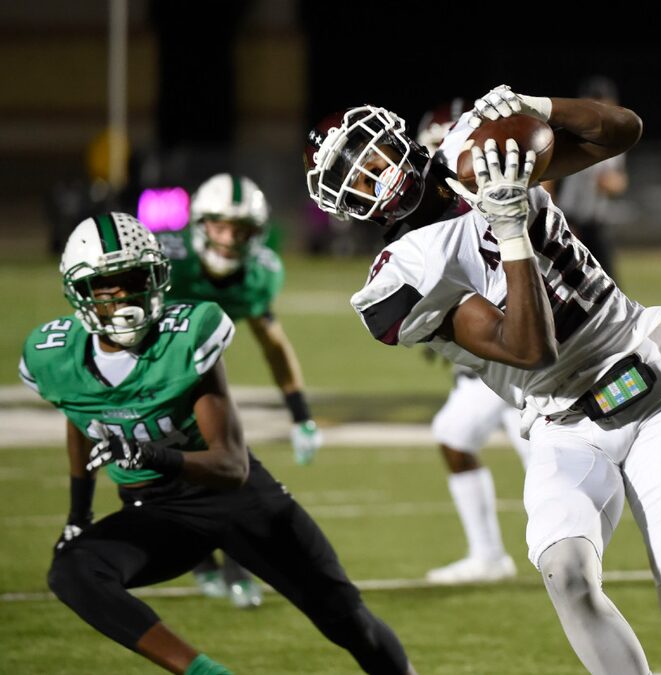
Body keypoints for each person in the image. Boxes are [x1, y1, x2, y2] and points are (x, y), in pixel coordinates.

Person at [304, 85, 661, 674]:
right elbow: (528, 349)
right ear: (346, 204)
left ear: (392, 135)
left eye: (369, 156)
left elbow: (623, 130)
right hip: (561, 421)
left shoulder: (472, 151)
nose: (372, 175)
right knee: (566, 574)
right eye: (353, 178)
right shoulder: (401, 275)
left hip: (641, 383)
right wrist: (511, 231)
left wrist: (540, 107)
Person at [18, 213, 417, 675]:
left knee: (349, 622)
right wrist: (77, 515)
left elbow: (231, 466)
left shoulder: (187, 334)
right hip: (157, 512)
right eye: (106, 285)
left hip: (239, 501)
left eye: (132, 279)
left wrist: (151, 455)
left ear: (155, 277)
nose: (123, 296)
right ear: (80, 292)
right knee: (72, 570)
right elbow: (78, 415)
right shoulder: (53, 358)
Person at [158, 173, 324, 607]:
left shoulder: (259, 273)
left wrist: (301, 413)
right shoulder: (167, 261)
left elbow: (273, 344)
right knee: (169, 476)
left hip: (203, 375)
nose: (230, 239)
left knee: (228, 470)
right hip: (150, 373)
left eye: (241, 229)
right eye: (220, 226)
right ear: (199, 223)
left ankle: (227, 566)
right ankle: (200, 561)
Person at [416, 102, 530, 584]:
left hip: (523, 357)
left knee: (562, 462)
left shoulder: (493, 203)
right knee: (455, 435)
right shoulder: (441, 212)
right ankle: (488, 556)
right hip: (492, 362)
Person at [554, 75, 628, 282]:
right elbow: (547, 182)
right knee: (567, 283)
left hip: (597, 224)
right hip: (570, 222)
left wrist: (613, 184)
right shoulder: (569, 136)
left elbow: (619, 182)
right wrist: (560, 222)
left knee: (610, 286)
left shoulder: (616, 140)